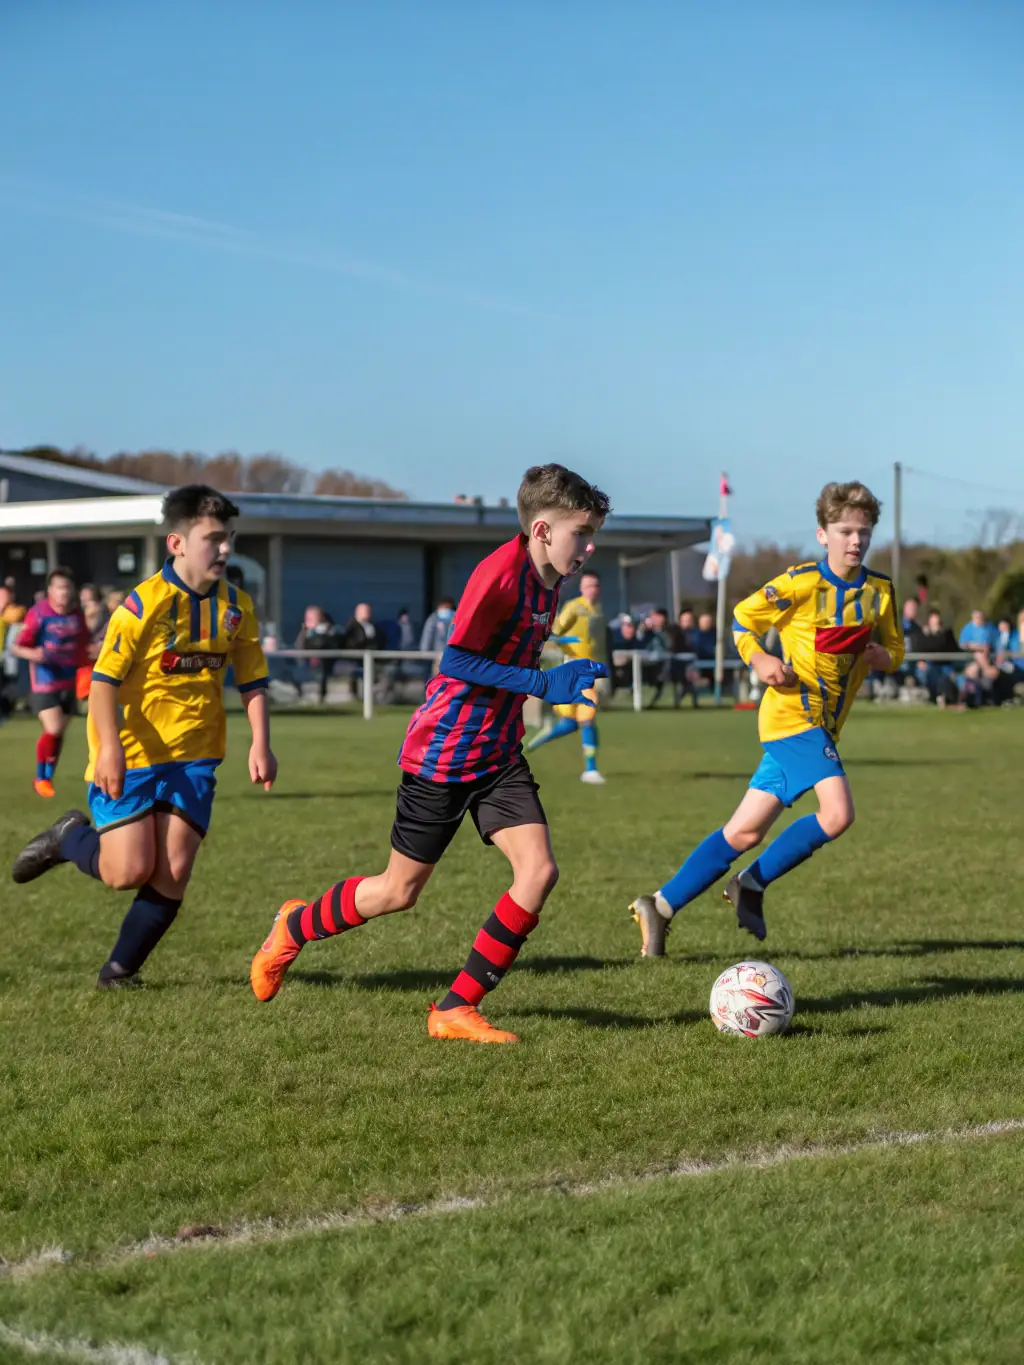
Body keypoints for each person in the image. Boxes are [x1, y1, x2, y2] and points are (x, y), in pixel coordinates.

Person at [250, 463, 611, 1043]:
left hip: (497, 754)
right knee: (397, 892)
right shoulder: (497, 575)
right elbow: (456, 662)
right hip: (443, 753)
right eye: (580, 533)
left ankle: (454, 1008)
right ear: (542, 530)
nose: (588, 548)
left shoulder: (553, 578)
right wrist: (544, 684)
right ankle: (293, 927)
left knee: (539, 871)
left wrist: (551, 670)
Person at [11, 486, 276, 989]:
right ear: (176, 542)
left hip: (195, 758)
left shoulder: (236, 607)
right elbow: (105, 683)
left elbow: (252, 679)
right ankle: (69, 838)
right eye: (213, 538)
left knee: (173, 870)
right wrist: (108, 747)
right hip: (131, 755)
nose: (224, 549)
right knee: (126, 872)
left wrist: (260, 742)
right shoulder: (142, 605)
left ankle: (119, 972)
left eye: (230, 538)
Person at [629, 480, 903, 954]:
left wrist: (884, 657)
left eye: (864, 532)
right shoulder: (800, 582)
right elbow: (742, 618)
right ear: (823, 535)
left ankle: (660, 905)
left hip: (824, 728)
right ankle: (751, 883)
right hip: (792, 717)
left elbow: (897, 648)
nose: (855, 540)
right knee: (837, 815)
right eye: (844, 531)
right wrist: (759, 660)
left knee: (744, 831)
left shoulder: (879, 592)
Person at [11, 567, 90, 797]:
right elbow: (17, 646)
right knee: (53, 727)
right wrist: (32, 654)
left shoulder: (77, 614)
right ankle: (41, 777)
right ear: (50, 591)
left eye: (67, 587)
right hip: (45, 680)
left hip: (69, 680)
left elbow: (83, 645)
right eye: (59, 587)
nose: (63, 592)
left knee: (58, 733)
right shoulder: (39, 613)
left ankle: (47, 775)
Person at [526, 569, 609, 783]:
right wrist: (569, 643)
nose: (593, 590)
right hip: (577, 672)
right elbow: (554, 632)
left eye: (596, 586)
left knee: (573, 722)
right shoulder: (575, 607)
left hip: (592, 671)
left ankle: (541, 739)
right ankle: (591, 770)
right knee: (587, 718)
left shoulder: (597, 610)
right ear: (582, 588)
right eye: (589, 585)